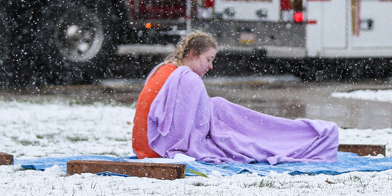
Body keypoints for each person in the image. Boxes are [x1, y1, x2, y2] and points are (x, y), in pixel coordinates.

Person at [132, 31, 339, 164]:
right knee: (244, 130)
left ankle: (295, 134)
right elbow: (192, 129)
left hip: (144, 147)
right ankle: (303, 135)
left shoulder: (164, 70)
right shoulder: (187, 79)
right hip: (155, 149)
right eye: (208, 59)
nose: (211, 66)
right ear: (193, 54)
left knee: (225, 111)